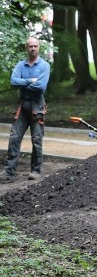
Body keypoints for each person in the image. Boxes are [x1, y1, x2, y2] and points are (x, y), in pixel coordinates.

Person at [2, 37, 51, 183]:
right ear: (26, 48)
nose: (33, 48)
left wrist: (22, 83)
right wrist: (30, 81)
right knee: (14, 137)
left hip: (37, 106)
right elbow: (13, 81)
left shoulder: (44, 65)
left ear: (39, 48)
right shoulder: (20, 65)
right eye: (31, 46)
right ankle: (9, 172)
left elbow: (41, 86)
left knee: (37, 139)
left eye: (36, 46)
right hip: (22, 106)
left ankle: (35, 171)